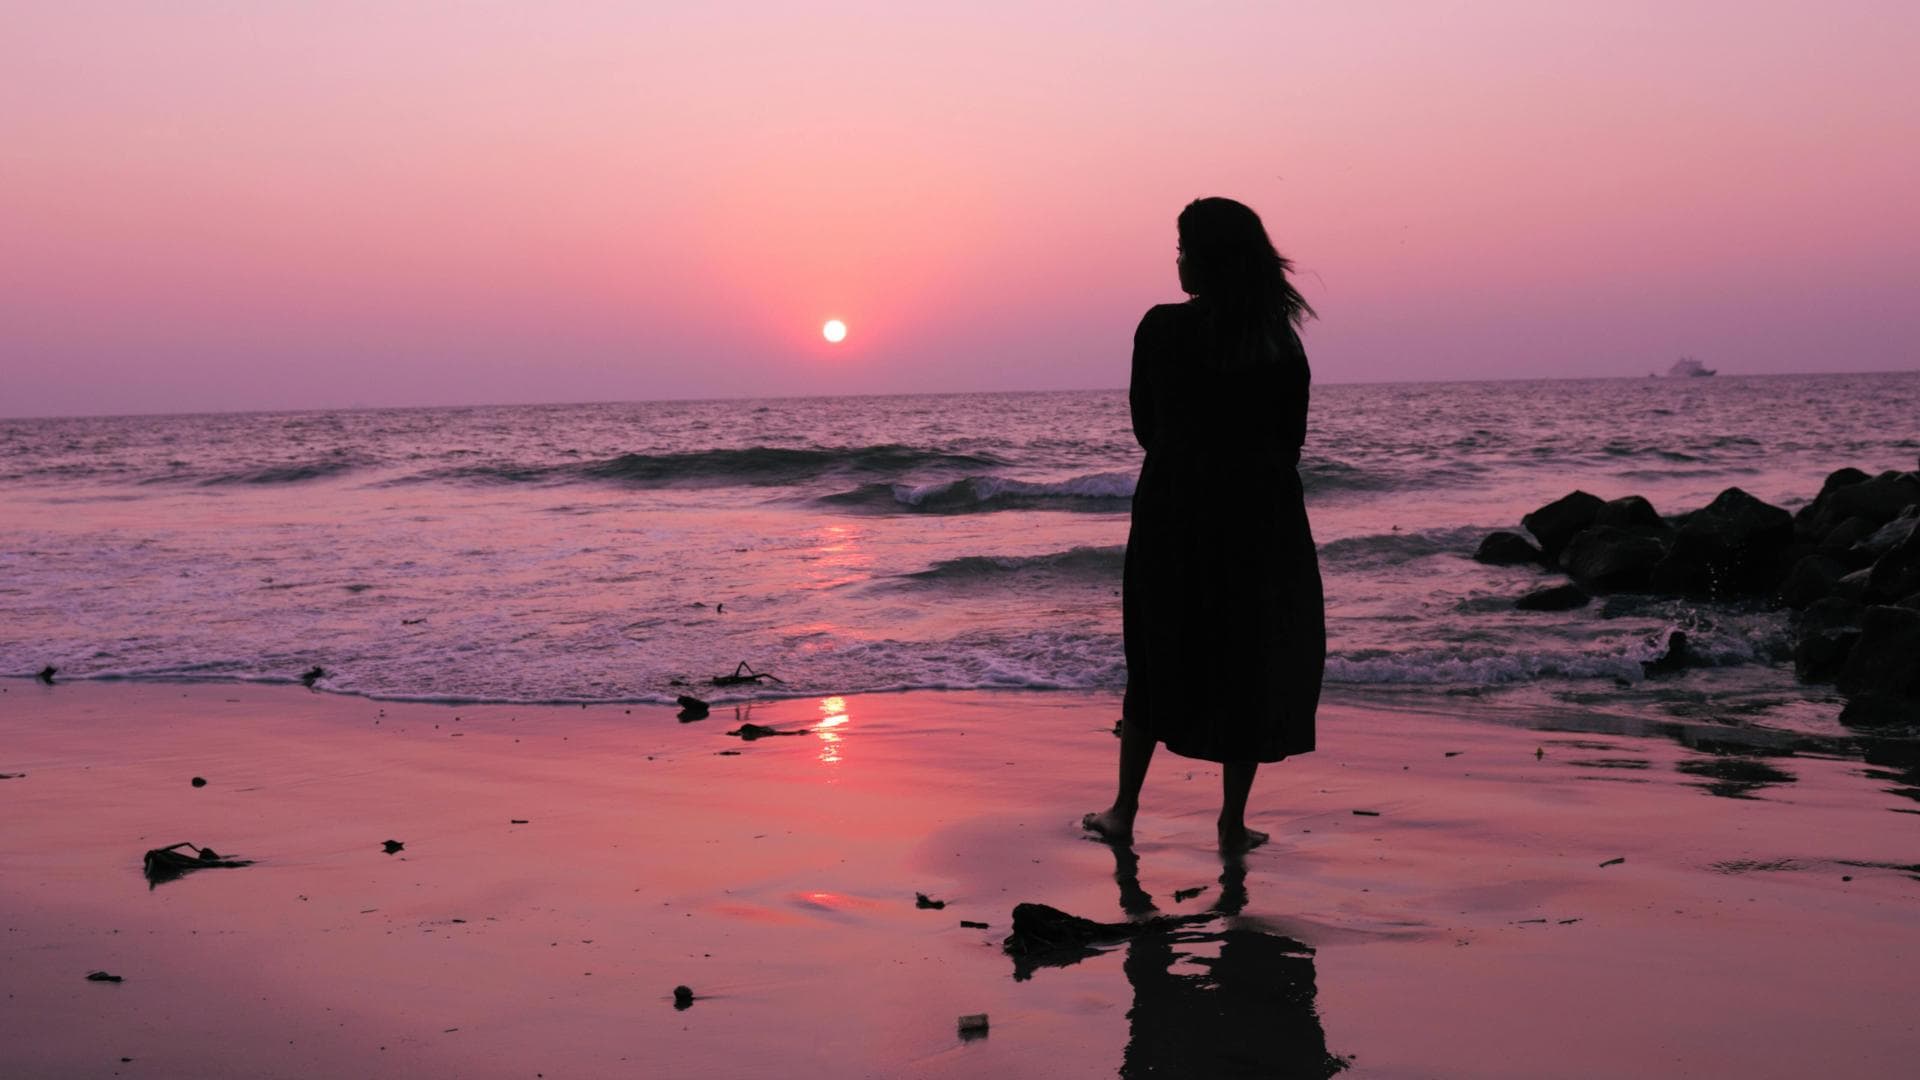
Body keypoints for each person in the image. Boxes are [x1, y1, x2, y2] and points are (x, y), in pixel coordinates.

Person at [1083, 196, 1326, 852]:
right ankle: (1231, 821)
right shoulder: (1280, 343)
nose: (1179, 261)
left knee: (1157, 656)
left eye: (1185, 248)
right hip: (1262, 523)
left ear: (1209, 258)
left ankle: (1124, 812)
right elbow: (1290, 441)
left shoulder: (1161, 330)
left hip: (1175, 518)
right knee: (1246, 660)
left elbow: (1145, 428)